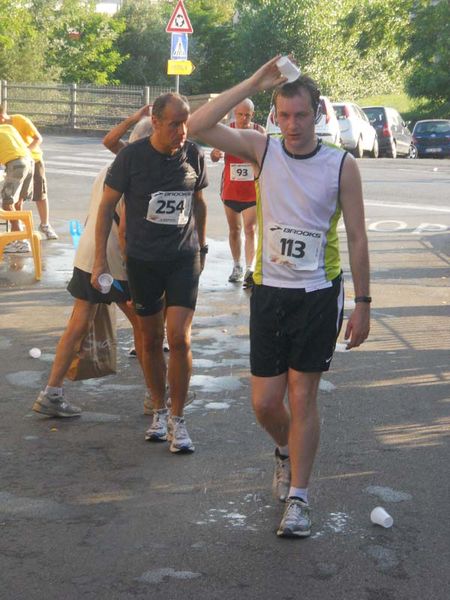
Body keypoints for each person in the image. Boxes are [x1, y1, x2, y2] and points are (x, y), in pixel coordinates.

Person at [188, 57, 370, 537]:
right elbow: (197, 124)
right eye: (284, 115)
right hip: (269, 291)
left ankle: (300, 499)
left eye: (302, 115)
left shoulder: (341, 165)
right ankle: (286, 449)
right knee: (266, 403)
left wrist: (364, 304)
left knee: (302, 396)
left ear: (318, 114)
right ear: (275, 116)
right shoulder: (262, 150)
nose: (292, 125)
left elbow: (357, 238)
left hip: (316, 293)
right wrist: (252, 80)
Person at [92, 92, 208, 454]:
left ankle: (178, 418)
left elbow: (200, 204)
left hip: (182, 258)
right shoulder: (132, 157)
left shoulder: (194, 156)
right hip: (143, 261)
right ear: (156, 122)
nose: (182, 130)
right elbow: (106, 206)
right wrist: (100, 260)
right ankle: (158, 408)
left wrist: (202, 247)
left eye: (185, 121)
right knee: (150, 338)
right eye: (174, 123)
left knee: (180, 338)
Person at [32, 117, 153, 418]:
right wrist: (130, 268)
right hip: (113, 261)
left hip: (89, 254)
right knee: (144, 326)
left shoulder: (110, 168)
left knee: (78, 325)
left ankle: (51, 393)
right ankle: (156, 396)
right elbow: (125, 231)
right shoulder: (138, 173)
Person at [210, 99, 264, 287]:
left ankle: (250, 268)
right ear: (235, 113)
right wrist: (216, 154)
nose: (243, 118)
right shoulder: (227, 131)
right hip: (231, 190)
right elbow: (214, 156)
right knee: (235, 230)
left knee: (250, 229)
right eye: (240, 114)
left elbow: (268, 159)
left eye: (247, 115)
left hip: (251, 192)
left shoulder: (259, 132)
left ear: (252, 115)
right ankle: (236, 266)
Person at [0, 106, 58, 241]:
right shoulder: (7, 128)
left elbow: (38, 138)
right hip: (21, 161)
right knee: (16, 201)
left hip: (32, 159)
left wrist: (22, 152)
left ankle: (43, 225)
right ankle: (20, 232)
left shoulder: (19, 121)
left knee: (39, 194)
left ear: (2, 117)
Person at [0, 123, 34, 253]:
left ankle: (21, 241)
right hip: (29, 162)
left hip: (17, 164)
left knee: (7, 202)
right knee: (18, 203)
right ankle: (16, 239)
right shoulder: (8, 127)